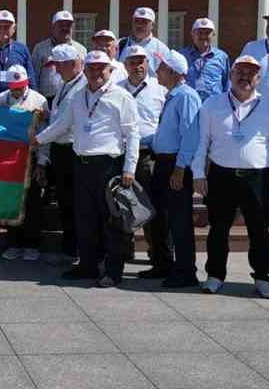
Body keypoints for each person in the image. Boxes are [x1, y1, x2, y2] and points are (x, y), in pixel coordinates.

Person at [33, 50, 139, 287]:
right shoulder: (78, 96)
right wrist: (38, 140)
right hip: (81, 164)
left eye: (101, 68)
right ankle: (88, 266)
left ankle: (113, 270)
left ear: (110, 70)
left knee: (111, 222)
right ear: (85, 70)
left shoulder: (121, 96)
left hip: (108, 166)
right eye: (91, 68)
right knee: (84, 218)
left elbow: (133, 134)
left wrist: (129, 168)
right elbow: (62, 124)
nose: (96, 73)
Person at [191, 55, 269, 297]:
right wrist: (197, 173)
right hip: (221, 176)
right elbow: (201, 142)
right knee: (218, 229)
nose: (244, 77)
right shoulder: (212, 104)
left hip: (258, 178)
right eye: (239, 72)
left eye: (250, 73)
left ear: (258, 78)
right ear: (230, 75)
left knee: (259, 230)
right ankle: (214, 275)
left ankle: (263, 277)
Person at [149, 50, 202, 287]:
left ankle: (185, 271)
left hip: (175, 165)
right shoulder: (173, 96)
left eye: (161, 67)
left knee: (179, 220)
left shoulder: (186, 97)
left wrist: (180, 169)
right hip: (164, 162)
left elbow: (190, 136)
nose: (157, 71)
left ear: (172, 72)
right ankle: (164, 265)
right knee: (162, 217)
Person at [119, 46, 170, 273]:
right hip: (120, 155)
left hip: (148, 155)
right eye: (132, 61)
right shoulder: (116, 89)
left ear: (148, 64)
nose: (137, 66)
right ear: (124, 65)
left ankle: (161, 259)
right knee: (119, 208)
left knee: (153, 209)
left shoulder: (159, 90)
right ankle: (118, 255)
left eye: (142, 61)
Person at [35, 43, 87, 263]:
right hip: (60, 150)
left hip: (73, 152)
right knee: (66, 203)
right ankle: (70, 247)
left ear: (73, 64)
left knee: (75, 204)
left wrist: (37, 140)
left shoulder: (80, 88)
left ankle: (76, 249)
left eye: (58, 65)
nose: (55, 70)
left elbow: (63, 124)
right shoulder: (65, 86)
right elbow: (56, 120)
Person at [0, 64, 48, 261]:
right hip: (9, 159)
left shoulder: (39, 100)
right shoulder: (1, 100)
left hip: (32, 158)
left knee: (33, 203)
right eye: (14, 87)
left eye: (21, 86)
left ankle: (32, 245)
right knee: (12, 202)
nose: (18, 90)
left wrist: (43, 163)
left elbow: (45, 134)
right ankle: (14, 243)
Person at [31, 10, 85, 97]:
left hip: (73, 98)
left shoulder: (81, 49)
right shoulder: (40, 48)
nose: (65, 28)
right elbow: (34, 76)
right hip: (47, 98)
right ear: (53, 27)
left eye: (68, 25)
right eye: (61, 25)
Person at [181, 17, 230, 101]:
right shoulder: (182, 56)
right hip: (188, 104)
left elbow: (227, 84)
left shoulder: (222, 57)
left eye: (207, 33)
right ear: (192, 34)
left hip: (214, 106)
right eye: (199, 32)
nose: (203, 36)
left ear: (213, 34)